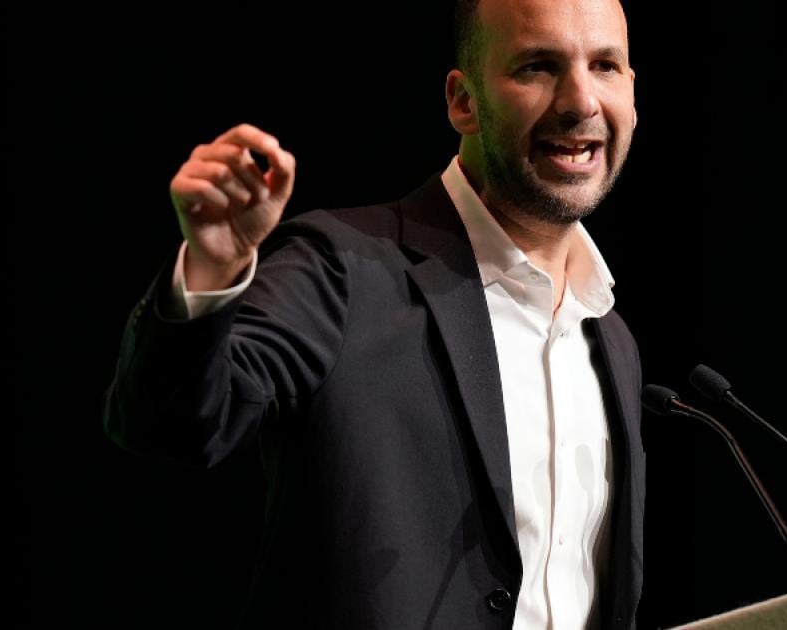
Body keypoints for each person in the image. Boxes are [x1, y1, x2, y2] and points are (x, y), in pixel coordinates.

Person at [103, 0, 644, 628]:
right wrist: (210, 271)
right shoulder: (341, 270)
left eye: (605, 65)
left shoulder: (612, 340)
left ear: (632, 92)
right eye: (538, 67)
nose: (580, 101)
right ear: (463, 102)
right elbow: (170, 425)